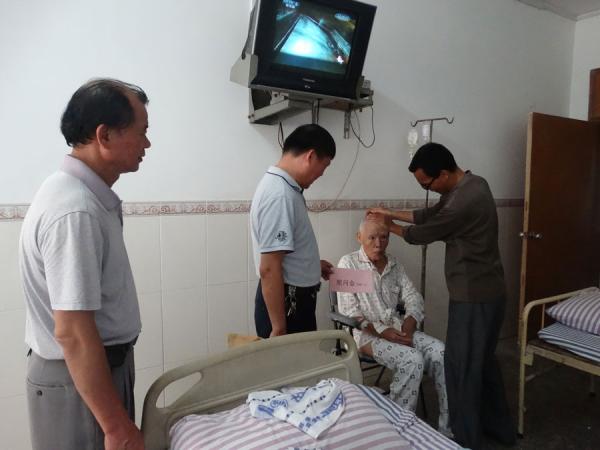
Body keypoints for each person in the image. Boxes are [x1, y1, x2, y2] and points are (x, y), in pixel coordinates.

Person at [20, 78, 151, 450]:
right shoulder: (75, 210)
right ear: (104, 135)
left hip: (91, 373)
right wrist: (117, 427)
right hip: (78, 379)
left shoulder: (83, 197)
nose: (147, 144)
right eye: (142, 132)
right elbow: (73, 333)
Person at [369, 142, 516, 449]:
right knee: (482, 363)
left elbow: (424, 232)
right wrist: (389, 213)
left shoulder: (463, 201)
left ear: (444, 174)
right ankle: (499, 430)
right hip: (488, 293)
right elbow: (429, 213)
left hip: (474, 297)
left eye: (427, 184)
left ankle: (464, 440)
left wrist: (390, 226)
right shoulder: (472, 184)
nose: (377, 243)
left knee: (461, 368)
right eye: (370, 237)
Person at [337, 219, 451, 436]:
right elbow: (350, 312)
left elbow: (414, 297)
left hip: (397, 328)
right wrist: (383, 332)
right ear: (359, 237)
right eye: (372, 237)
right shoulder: (348, 263)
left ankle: (447, 431)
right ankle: (397, 429)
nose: (378, 243)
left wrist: (409, 324)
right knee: (412, 359)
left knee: (440, 351)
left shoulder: (394, 265)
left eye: (384, 237)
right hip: (364, 336)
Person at [251, 124, 335, 338]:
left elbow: (283, 253)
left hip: (293, 300)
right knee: (292, 360)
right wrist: (279, 327)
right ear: (311, 156)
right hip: (287, 307)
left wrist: (310, 265)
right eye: (324, 167)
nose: (321, 174)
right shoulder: (280, 195)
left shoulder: (285, 188)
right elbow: (269, 268)